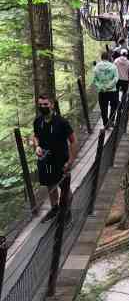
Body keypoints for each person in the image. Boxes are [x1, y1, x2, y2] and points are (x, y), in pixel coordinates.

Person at [33, 95, 78, 223]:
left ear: (52, 105)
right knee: (50, 184)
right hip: (45, 160)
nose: (43, 107)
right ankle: (54, 209)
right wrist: (37, 146)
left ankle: (67, 211)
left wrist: (70, 161)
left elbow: (73, 141)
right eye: (40, 104)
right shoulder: (37, 121)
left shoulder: (62, 122)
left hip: (61, 161)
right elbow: (35, 136)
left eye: (45, 104)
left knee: (64, 188)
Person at [93, 51, 119, 127]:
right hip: (112, 91)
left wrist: (101, 87)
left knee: (103, 108)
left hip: (101, 91)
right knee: (114, 105)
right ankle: (111, 120)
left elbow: (95, 80)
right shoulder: (113, 66)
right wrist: (109, 86)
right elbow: (116, 78)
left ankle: (105, 123)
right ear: (109, 58)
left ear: (101, 58)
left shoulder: (97, 67)